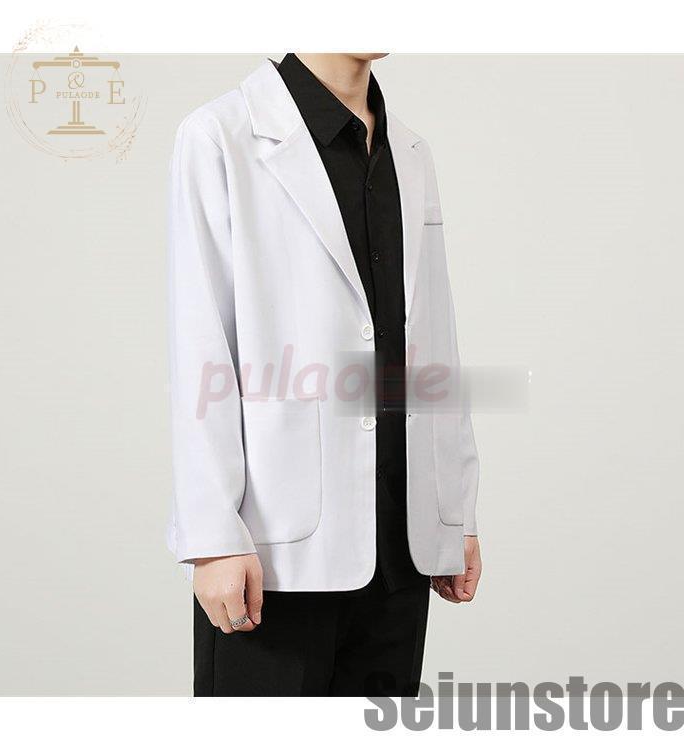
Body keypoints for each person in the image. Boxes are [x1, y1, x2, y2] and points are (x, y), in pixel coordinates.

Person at [168, 53, 481, 697]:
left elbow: (435, 339)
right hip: (273, 549)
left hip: (400, 541)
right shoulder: (221, 135)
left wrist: (454, 510)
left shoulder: (410, 152)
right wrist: (212, 537)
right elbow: (201, 346)